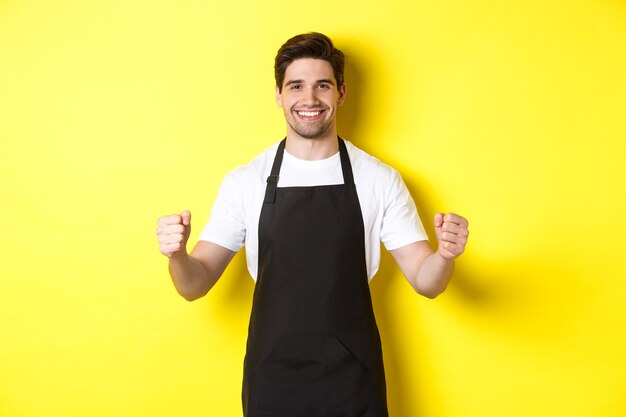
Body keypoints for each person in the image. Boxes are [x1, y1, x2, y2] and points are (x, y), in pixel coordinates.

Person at [156, 32, 469, 417]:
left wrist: (446, 255)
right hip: (272, 377)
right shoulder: (245, 182)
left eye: (322, 85)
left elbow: (426, 281)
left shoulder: (378, 179)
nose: (309, 99)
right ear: (279, 95)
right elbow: (194, 284)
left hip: (353, 378)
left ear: (341, 93)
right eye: (296, 86)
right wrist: (177, 256)